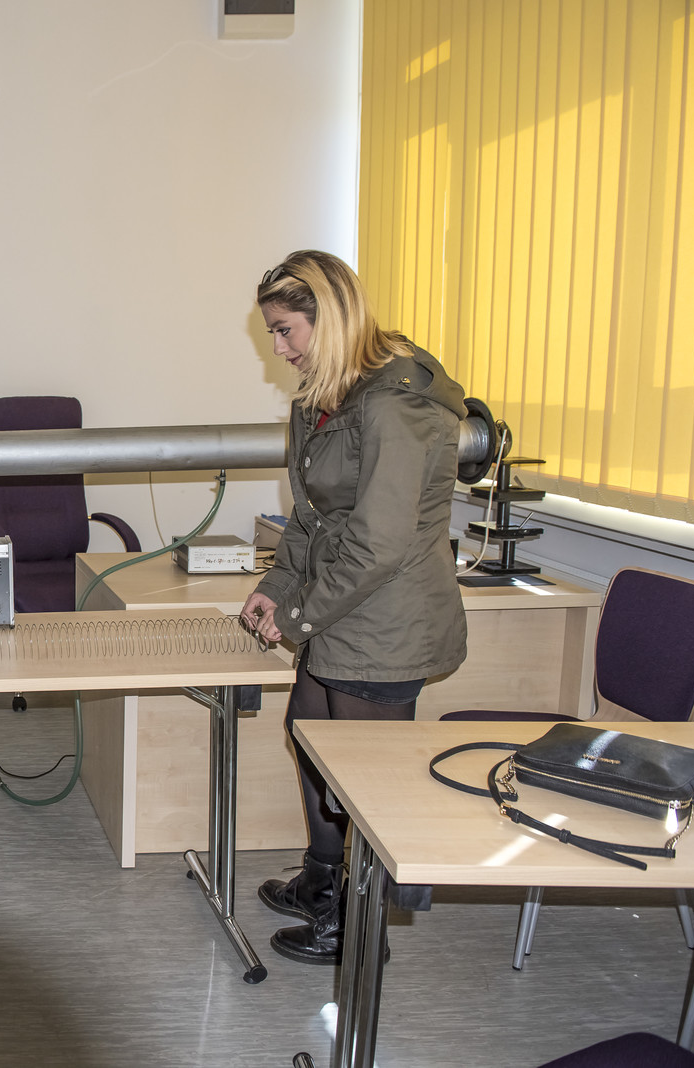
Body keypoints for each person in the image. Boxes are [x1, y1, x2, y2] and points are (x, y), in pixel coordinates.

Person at [239, 250, 468, 965]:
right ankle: (323, 883)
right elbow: (311, 516)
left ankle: (361, 931)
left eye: (285, 331)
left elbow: (379, 541)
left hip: (386, 618)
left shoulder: (398, 403)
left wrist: (298, 617)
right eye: (273, 334)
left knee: (367, 784)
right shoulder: (326, 395)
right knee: (309, 735)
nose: (279, 350)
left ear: (330, 318)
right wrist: (276, 588)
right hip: (339, 608)